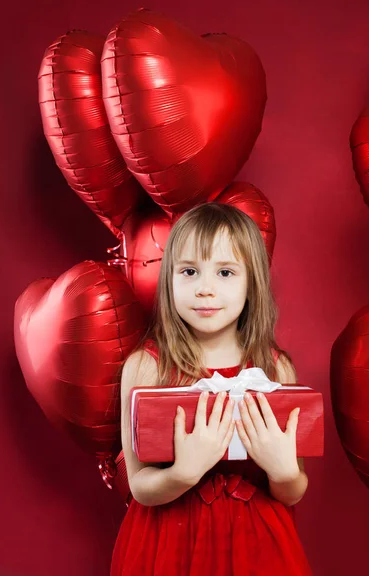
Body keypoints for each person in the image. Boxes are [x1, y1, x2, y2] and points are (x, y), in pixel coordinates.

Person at [110, 203, 312, 575]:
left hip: (258, 547)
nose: (204, 289)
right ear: (168, 279)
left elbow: (293, 487)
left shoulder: (274, 367)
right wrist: (181, 474)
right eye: (189, 271)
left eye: (224, 272)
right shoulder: (146, 366)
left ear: (252, 282)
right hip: (168, 545)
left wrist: (284, 473)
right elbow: (139, 486)